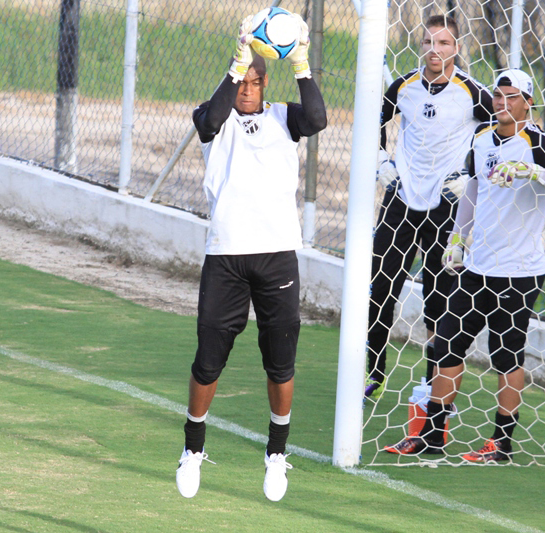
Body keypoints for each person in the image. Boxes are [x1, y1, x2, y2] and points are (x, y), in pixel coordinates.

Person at [385, 69, 545, 460]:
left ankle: (501, 444)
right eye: (498, 95)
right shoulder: (481, 138)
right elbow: (473, 189)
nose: (502, 102)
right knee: (445, 347)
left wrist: (534, 172)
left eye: (511, 96)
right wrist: (457, 239)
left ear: (528, 102)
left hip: (520, 271)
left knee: (505, 356)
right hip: (477, 267)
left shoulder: (538, 142)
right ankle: (432, 436)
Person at [176, 14, 326, 501]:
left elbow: (319, 118)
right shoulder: (212, 118)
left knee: (280, 363)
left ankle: (277, 453)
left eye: (255, 79)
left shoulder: (286, 117)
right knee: (208, 359)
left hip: (277, 256)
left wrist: (302, 66)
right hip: (226, 255)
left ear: (267, 83)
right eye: (242, 78)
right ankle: (193, 448)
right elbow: (212, 119)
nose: (247, 86)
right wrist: (237, 64)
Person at [365, 14, 493, 401]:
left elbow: (494, 136)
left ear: (456, 48)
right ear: (420, 46)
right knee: (380, 286)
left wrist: (469, 175)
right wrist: (381, 163)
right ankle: (373, 373)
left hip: (446, 206)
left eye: (443, 43)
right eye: (428, 42)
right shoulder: (403, 87)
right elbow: (375, 122)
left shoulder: (473, 92)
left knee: (440, 296)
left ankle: (428, 381)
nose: (434, 50)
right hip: (401, 200)